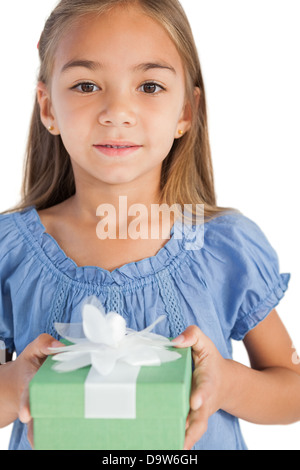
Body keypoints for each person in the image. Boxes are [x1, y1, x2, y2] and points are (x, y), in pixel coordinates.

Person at [0, 0, 299, 451]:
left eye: (150, 86)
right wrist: (11, 388)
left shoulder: (222, 247)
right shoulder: (11, 251)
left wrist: (228, 383)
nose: (117, 111)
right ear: (48, 108)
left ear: (185, 112)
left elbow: (292, 390)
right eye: (85, 85)